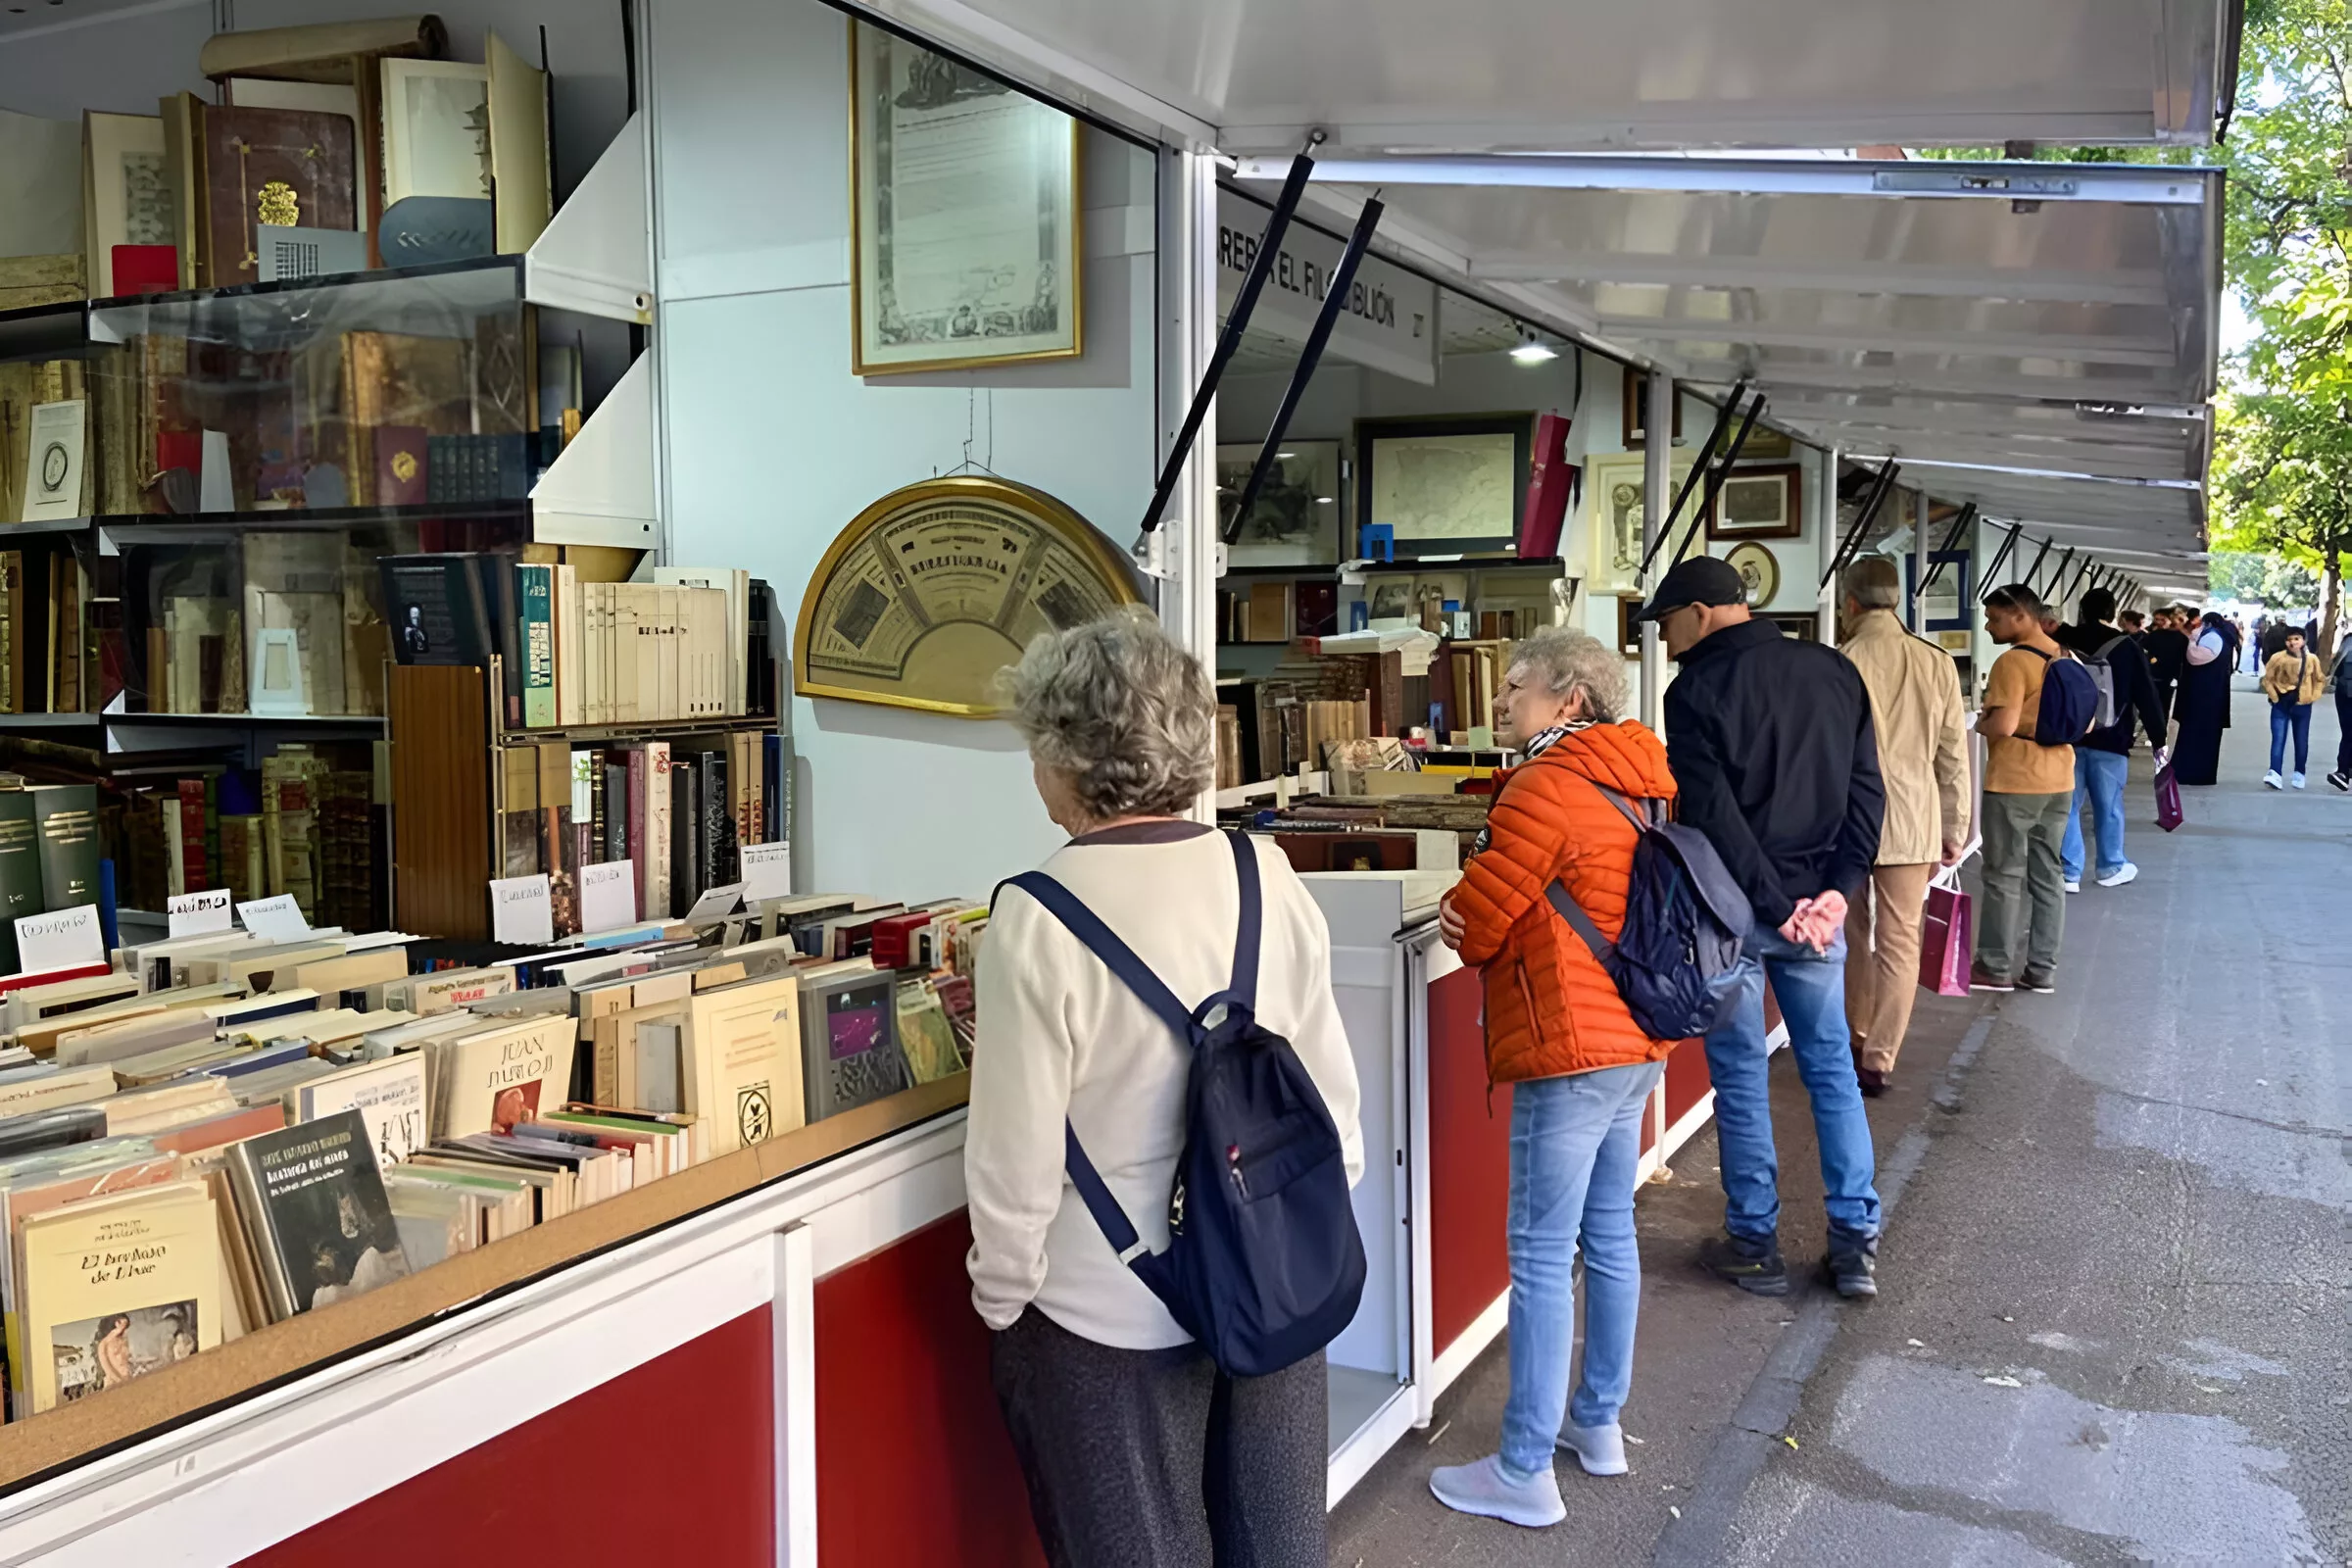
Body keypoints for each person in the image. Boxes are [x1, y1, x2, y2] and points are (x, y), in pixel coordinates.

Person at [967, 609, 1362, 1568]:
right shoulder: (1260, 869)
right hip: (1274, 1281)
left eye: (1036, 745)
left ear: (1071, 752)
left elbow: (1015, 1165)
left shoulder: (1035, 916)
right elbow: (1333, 1107)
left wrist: (999, 1298)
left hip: (1108, 1309)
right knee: (1279, 1547)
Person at [1425, 629, 1678, 1529]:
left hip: (1569, 1041)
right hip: (1640, 1036)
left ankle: (1525, 1467)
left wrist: (1465, 915)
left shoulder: (1543, 785)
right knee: (1608, 1235)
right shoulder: (1644, 774)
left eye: (1517, 687)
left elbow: (1483, 918)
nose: (1502, 701)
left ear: (1569, 699)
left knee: (1539, 1255)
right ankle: (1597, 1427)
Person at [1641, 556, 1886, 1300]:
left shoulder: (1695, 692)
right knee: (1832, 1073)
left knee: (1741, 1079)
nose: (1667, 639)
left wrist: (1774, 906)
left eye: (1669, 622)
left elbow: (1715, 818)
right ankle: (1854, 1246)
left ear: (1703, 611)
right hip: (1819, 910)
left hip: (1733, 912)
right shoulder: (1833, 671)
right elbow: (1867, 792)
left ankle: (1755, 1243)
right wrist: (1838, 894)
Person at [1834, 558, 1968, 1098]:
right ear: (1898, 602)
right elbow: (1953, 754)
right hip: (1913, 816)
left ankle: (1852, 1035)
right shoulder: (1936, 662)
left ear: (1850, 604)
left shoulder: (1839, 661)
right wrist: (1955, 826)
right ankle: (1880, 1058)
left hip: (1846, 817)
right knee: (1899, 939)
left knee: (1848, 934)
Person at [1971, 585, 2076, 995]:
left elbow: (2004, 724)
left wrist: (1982, 723)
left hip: (2016, 779)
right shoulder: (2064, 656)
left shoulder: (2013, 662)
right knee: (2048, 874)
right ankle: (2042, 969)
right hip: (2060, 777)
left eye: (1994, 618)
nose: (1988, 625)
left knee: (2002, 874)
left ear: (2019, 615)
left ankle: (1994, 965)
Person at [2054, 586, 2168, 891]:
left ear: (2082, 611)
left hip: (2069, 737)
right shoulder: (2128, 646)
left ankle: (2069, 871)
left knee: (2068, 805)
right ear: (2112, 612)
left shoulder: (2064, 641)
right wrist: (2159, 739)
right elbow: (2146, 694)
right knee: (2109, 805)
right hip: (2112, 737)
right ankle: (2110, 866)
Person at [2172, 612, 2240, 785]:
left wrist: (2192, 641)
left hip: (2203, 695)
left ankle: (2190, 773)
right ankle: (2200, 773)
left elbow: (2196, 658)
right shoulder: (2223, 637)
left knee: (2195, 735)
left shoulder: (2212, 637)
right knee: (2205, 737)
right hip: (2212, 695)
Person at [2260, 627, 2326, 789]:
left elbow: (2319, 679)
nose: (2293, 642)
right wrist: (2275, 697)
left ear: (2303, 641)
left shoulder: (2312, 659)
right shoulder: (2278, 658)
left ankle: (2299, 773)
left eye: (2297, 639)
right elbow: (2267, 679)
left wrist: (2313, 696)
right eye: (2290, 639)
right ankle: (2275, 773)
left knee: (2301, 740)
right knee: (2278, 740)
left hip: (2303, 705)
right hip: (2281, 704)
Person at [2143, 607, 2190, 735]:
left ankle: (2159, 732)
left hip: (2169, 677)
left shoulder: (2181, 638)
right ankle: (2155, 731)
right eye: (2156, 619)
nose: (2158, 622)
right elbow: (2142, 649)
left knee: (2163, 706)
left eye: (2162, 619)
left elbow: (2184, 661)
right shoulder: (2153, 635)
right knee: (2151, 706)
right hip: (2152, 675)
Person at [2330, 635, 2352, 793]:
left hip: (2345, 693)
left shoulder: (2348, 640)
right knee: (2349, 733)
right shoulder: (2348, 640)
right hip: (2345, 693)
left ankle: (2344, 771)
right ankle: (2344, 771)